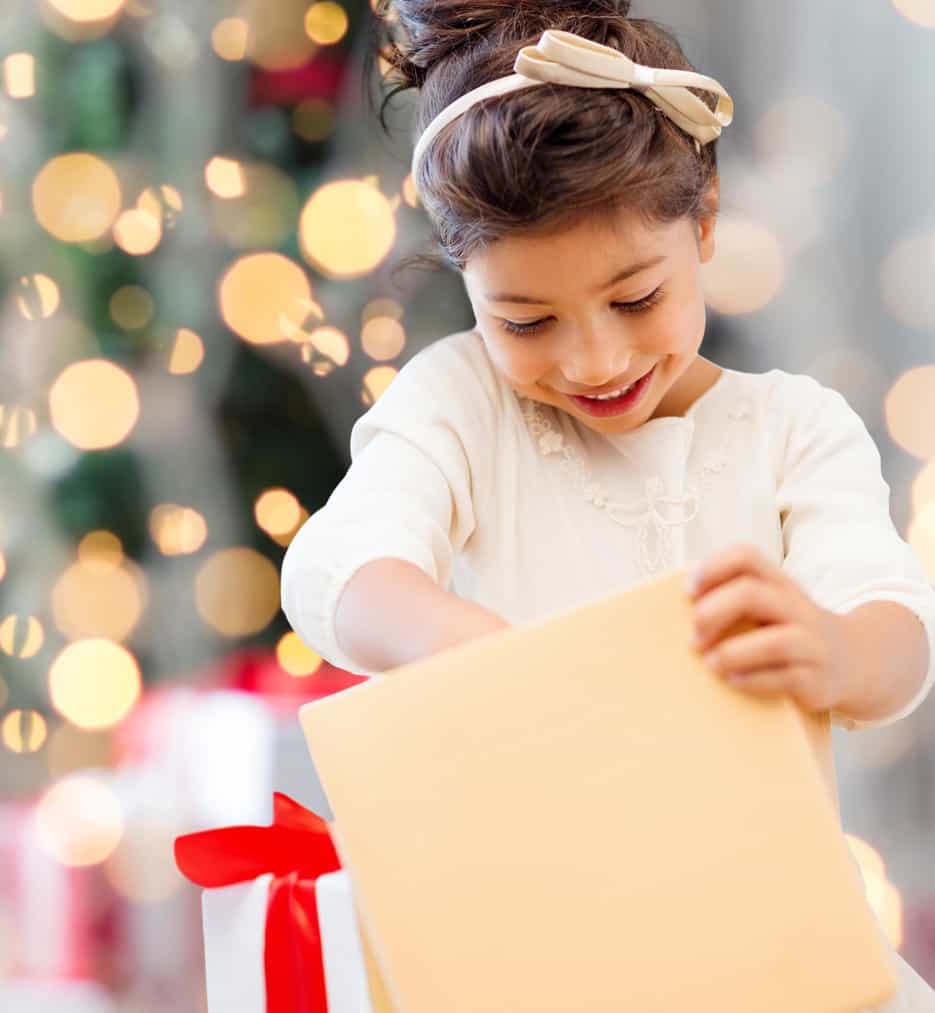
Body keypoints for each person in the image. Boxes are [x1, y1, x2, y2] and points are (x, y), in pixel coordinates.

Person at [282, 2, 935, 1006]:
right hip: (538, 954)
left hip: (768, 953)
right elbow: (334, 569)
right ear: (464, 279)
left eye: (634, 298)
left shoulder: (790, 430)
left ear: (705, 219)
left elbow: (894, 629)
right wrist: (476, 653)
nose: (594, 359)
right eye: (526, 319)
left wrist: (838, 649)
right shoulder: (459, 407)